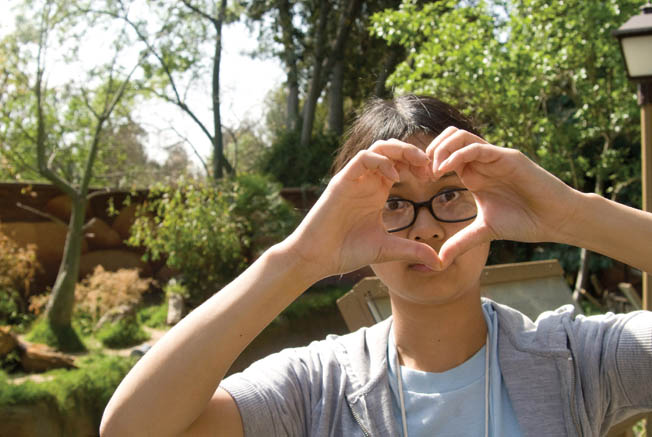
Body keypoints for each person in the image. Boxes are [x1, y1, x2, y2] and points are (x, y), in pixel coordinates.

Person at [100, 95, 652, 437]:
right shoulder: (314, 388)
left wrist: (572, 216)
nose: (427, 226)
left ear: (492, 203)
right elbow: (133, 428)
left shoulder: (577, 360)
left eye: (451, 194)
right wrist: (299, 260)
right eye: (394, 203)